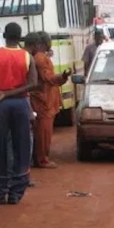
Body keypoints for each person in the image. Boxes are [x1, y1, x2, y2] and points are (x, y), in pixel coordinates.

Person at [0, 22, 38, 205]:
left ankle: (0, 192)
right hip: (20, 104)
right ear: (20, 37)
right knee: (22, 147)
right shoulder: (27, 57)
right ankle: (16, 192)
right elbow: (33, 83)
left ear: (4, 35)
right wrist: (12, 93)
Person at [30, 31, 71, 169]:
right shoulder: (40, 58)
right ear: (42, 43)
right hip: (43, 101)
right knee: (43, 133)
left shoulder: (40, 57)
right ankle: (42, 160)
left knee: (43, 133)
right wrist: (62, 77)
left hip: (46, 100)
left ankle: (41, 158)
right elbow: (48, 78)